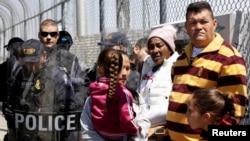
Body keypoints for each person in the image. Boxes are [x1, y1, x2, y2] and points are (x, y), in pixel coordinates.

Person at [166, 1, 248, 141]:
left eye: (204, 21)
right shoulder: (181, 59)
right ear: (186, 27)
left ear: (214, 24)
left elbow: (234, 112)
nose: (198, 27)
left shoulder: (229, 58)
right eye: (192, 23)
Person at [8, 39, 80, 141]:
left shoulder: (57, 75)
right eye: (26, 62)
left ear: (44, 56)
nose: (30, 66)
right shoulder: (20, 73)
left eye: (34, 61)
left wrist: (46, 110)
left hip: (54, 132)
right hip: (28, 130)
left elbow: (70, 106)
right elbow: (12, 101)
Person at [81, 50, 150, 141]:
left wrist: (135, 138)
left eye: (127, 68)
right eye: (120, 68)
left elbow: (144, 123)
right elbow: (88, 131)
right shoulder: (92, 100)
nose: (124, 73)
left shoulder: (135, 98)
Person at [137, 24, 179, 141]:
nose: (154, 50)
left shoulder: (177, 68)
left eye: (159, 46)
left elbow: (174, 106)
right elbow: (138, 100)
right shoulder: (149, 71)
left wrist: (141, 121)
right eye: (151, 47)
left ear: (170, 48)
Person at [0, 37, 24, 141]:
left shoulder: (29, 66)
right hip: (9, 107)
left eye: (19, 47)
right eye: (13, 48)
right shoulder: (3, 68)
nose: (16, 50)